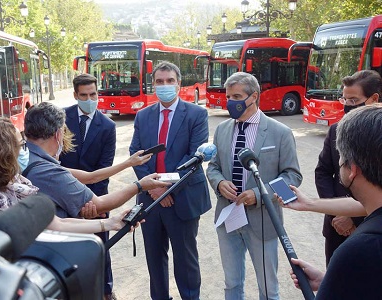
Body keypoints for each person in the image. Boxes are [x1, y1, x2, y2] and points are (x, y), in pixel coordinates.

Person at [206, 72, 302, 300]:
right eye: (228, 96)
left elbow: (293, 177)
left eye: (237, 96)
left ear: (254, 97)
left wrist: (259, 194)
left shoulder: (280, 132)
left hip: (263, 221)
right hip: (228, 217)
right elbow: (213, 167)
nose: (231, 102)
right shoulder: (222, 130)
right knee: (232, 284)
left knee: (268, 288)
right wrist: (219, 183)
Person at [0, 118, 136, 234]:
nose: (23, 151)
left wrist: (111, 223)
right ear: (1, 154)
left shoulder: (15, 187)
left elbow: (57, 224)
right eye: (20, 146)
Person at [129, 61, 211, 300]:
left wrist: (165, 190)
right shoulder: (143, 116)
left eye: (169, 81)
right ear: (153, 84)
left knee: (186, 260)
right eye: (159, 81)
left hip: (182, 199)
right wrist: (153, 189)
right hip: (150, 200)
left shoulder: (197, 114)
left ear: (178, 84)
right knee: (154, 258)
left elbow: (194, 158)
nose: (164, 85)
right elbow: (136, 153)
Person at [288, 104, 382, 299]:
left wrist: (333, 282)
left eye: (341, 159)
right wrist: (329, 281)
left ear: (352, 170)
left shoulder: (360, 250)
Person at [23, 102, 170, 219]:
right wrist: (139, 186)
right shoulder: (48, 172)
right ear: (58, 134)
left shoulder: (24, 157)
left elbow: (91, 177)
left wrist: (128, 163)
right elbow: (99, 204)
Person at [314, 70, 381, 266]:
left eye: (353, 100)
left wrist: (354, 218)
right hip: (336, 227)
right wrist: (337, 213)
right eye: (344, 100)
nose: (347, 106)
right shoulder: (337, 129)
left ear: (373, 98)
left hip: (371, 229)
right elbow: (323, 171)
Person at [59, 73, 116, 300]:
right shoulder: (60, 119)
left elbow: (104, 170)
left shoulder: (108, 126)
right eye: (84, 95)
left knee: (100, 247)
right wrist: (70, 198)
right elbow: (56, 163)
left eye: (93, 94)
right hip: (63, 195)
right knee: (68, 247)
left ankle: (106, 290)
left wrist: (93, 202)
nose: (89, 99)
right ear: (75, 95)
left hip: (96, 198)